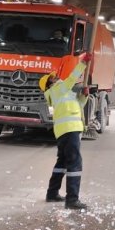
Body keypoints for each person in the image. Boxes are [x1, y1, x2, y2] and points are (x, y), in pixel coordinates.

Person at [39, 51, 92, 210]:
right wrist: (83, 63)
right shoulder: (58, 89)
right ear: (49, 84)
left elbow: (78, 106)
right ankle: (72, 200)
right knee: (75, 163)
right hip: (70, 130)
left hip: (64, 132)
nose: (56, 77)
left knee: (61, 162)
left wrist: (84, 96)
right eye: (53, 78)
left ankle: (52, 193)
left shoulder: (61, 92)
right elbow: (71, 79)